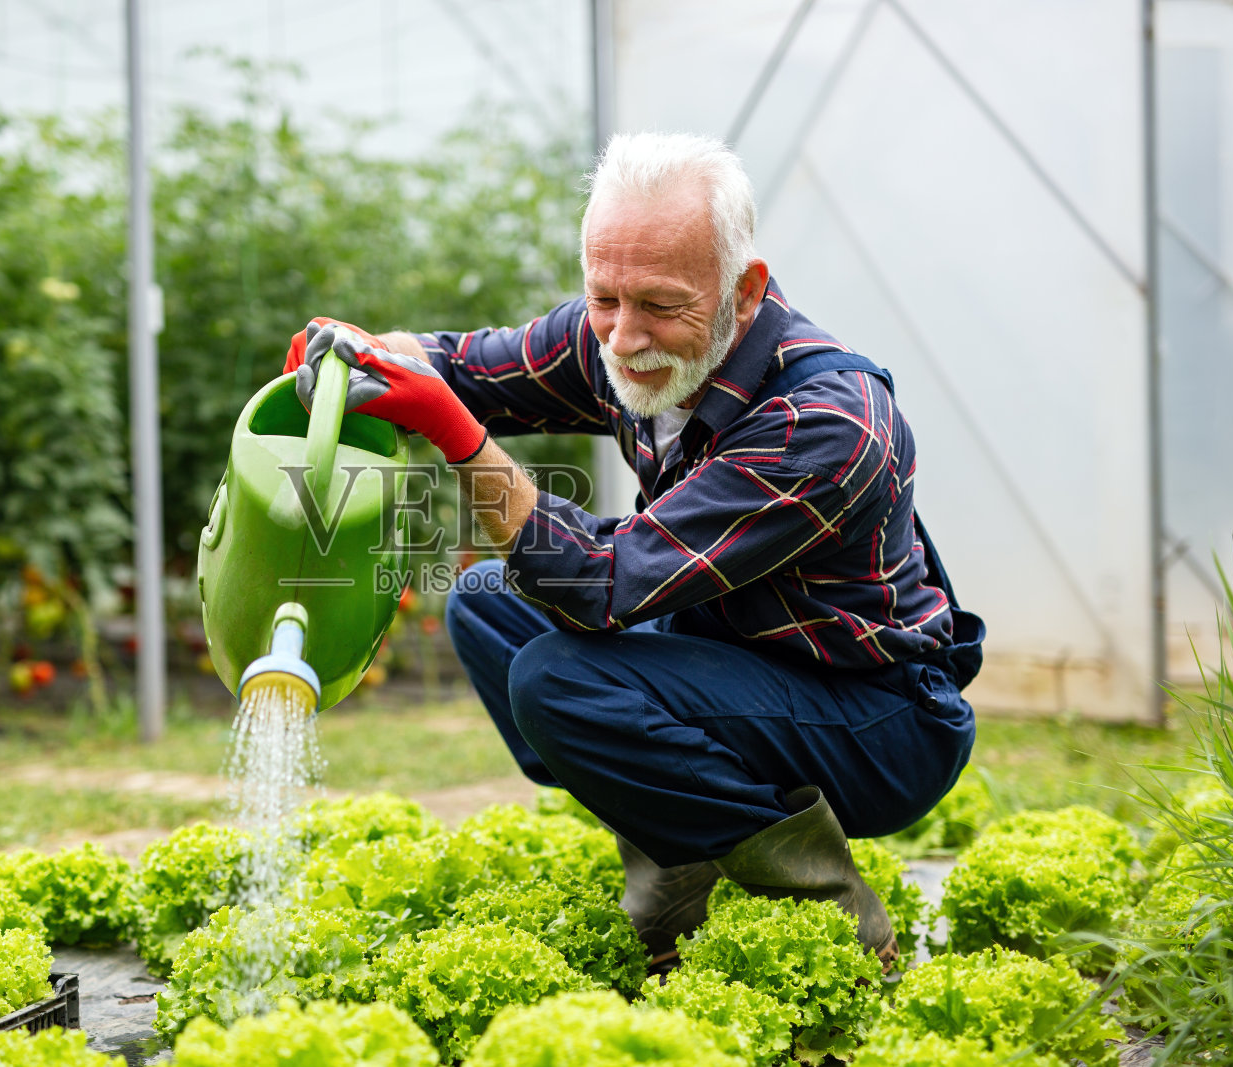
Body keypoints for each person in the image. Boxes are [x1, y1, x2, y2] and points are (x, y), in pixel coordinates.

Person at [281, 131, 983, 973]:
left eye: (658, 304)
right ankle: (679, 861)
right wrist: (363, 352)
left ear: (744, 290)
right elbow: (461, 367)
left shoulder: (826, 422)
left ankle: (832, 915)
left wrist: (455, 437)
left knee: (560, 680)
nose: (622, 336)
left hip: (877, 719)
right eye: (603, 298)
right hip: (732, 657)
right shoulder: (621, 331)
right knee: (488, 603)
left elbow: (598, 583)